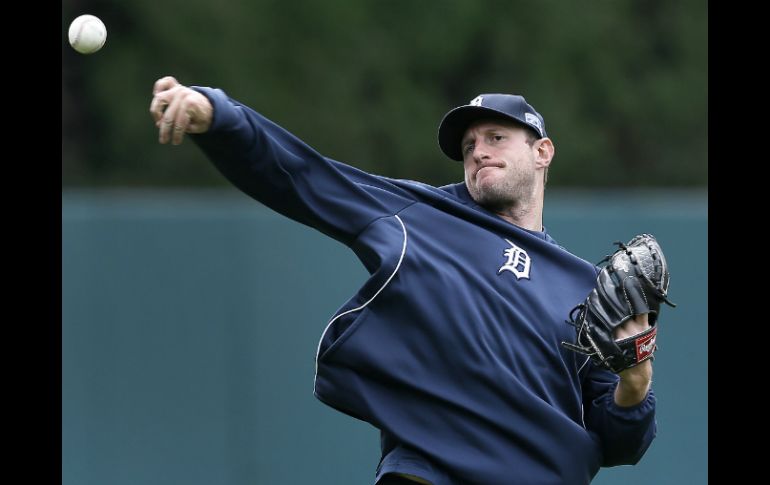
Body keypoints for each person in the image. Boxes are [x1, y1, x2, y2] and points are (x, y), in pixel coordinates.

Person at [149, 77, 657, 485]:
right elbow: (304, 178)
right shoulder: (421, 216)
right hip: (429, 470)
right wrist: (220, 118)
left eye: (496, 137)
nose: (478, 151)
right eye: (468, 145)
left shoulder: (584, 289)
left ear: (542, 151)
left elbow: (619, 442)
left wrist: (636, 376)